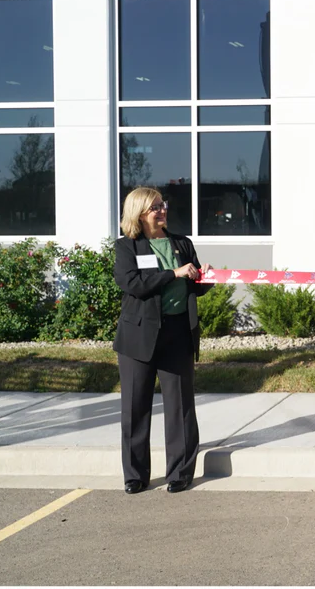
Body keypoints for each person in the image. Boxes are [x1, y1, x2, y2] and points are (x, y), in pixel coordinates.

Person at [113, 187, 211, 494]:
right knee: (135, 407)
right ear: (139, 214)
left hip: (178, 332)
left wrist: (203, 278)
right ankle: (135, 475)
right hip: (139, 336)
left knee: (180, 406)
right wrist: (173, 273)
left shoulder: (182, 243)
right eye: (155, 208)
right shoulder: (128, 246)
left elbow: (191, 286)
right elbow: (132, 284)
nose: (162, 211)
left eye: (162, 205)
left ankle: (180, 473)